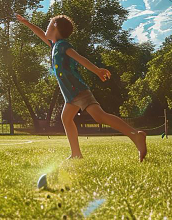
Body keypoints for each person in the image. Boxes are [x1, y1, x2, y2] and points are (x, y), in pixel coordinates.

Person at [15, 13, 147, 162]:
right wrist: (27, 23)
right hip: (70, 94)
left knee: (100, 116)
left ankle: (135, 135)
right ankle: (76, 153)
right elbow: (40, 33)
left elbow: (80, 58)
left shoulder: (63, 45)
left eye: (49, 24)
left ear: (55, 27)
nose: (46, 28)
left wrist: (97, 70)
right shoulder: (54, 46)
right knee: (66, 119)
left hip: (77, 90)